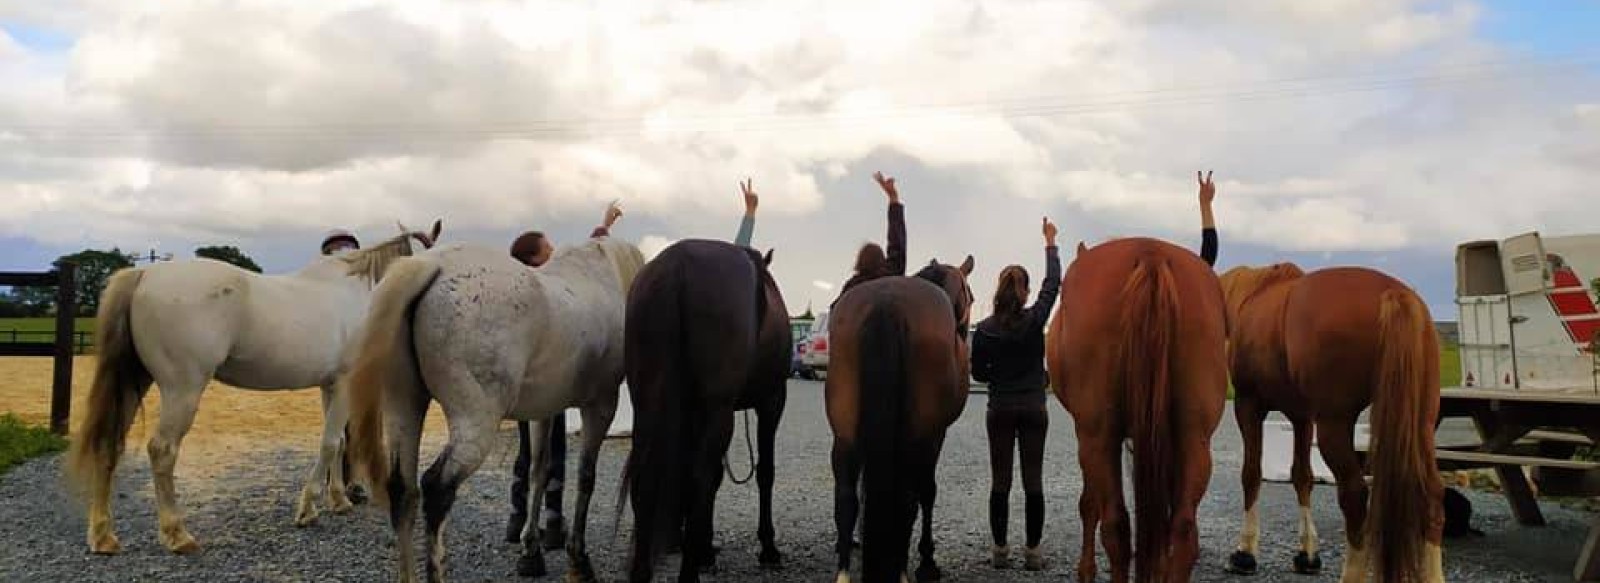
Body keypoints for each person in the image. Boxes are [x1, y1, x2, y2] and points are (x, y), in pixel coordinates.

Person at [503, 201, 624, 548]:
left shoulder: (523, 288)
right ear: (534, 260)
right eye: (549, 250)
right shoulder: (542, 286)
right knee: (548, 454)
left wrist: (603, 226)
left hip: (529, 383)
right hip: (553, 376)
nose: (555, 254)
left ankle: (519, 518)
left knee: (528, 452)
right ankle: (551, 519)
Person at [970, 217, 1060, 571]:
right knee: (1033, 479)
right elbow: (1053, 285)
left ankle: (1000, 550)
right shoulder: (1035, 319)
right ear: (1024, 291)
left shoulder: (986, 330)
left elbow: (977, 372)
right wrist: (1050, 243)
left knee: (1001, 481)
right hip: (1034, 406)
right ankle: (1033, 552)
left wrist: (997, 375)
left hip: (1001, 408)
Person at [321, 228, 367, 504]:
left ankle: (355, 480)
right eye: (337, 247)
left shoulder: (361, 285)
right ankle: (337, 480)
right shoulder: (326, 285)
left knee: (358, 427)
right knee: (338, 425)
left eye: (347, 247)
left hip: (359, 367)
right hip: (339, 367)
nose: (343, 252)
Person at [833, 171, 905, 306]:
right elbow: (897, 243)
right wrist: (893, 198)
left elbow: (836, 313)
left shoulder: (853, 286)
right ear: (882, 259)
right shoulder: (892, 275)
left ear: (859, 261)